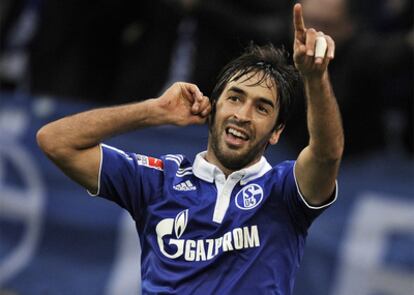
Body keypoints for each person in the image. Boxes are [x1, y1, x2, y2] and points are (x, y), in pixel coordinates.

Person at [37, 4, 344, 294]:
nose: (242, 115)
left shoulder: (284, 191)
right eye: (235, 98)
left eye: (262, 108)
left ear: (276, 133)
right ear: (213, 108)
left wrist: (315, 78)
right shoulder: (157, 181)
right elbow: (56, 141)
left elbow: (327, 154)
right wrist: (153, 111)